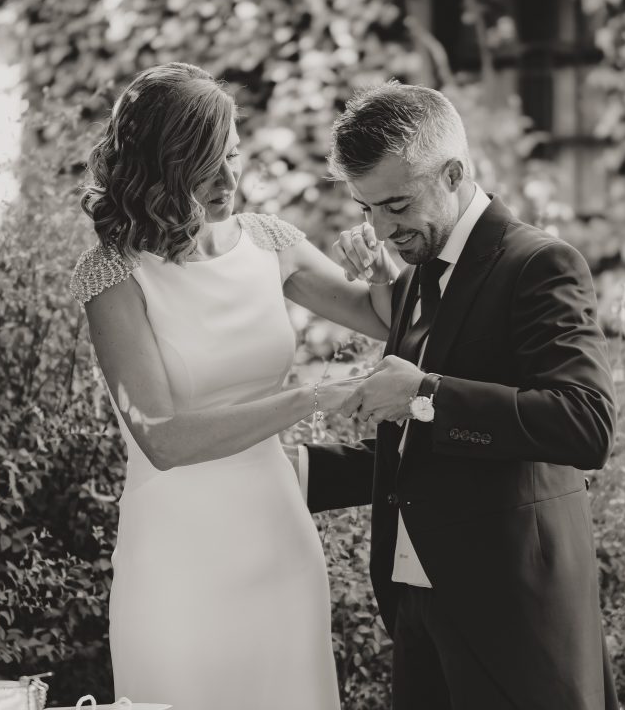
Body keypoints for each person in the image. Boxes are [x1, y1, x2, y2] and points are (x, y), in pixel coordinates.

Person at [69, 63, 401, 710]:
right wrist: (309, 397)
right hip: (174, 559)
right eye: (204, 165)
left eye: (234, 158)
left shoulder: (268, 243)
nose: (228, 181)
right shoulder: (112, 275)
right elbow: (162, 438)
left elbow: (382, 320)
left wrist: (380, 266)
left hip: (277, 544)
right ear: (161, 167)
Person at [299, 81, 620, 710]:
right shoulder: (416, 273)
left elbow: (585, 424)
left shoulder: (540, 264)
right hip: (419, 604)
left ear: (453, 172)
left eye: (396, 203)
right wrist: (302, 474)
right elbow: (430, 452)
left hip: (515, 614)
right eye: (367, 208)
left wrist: (424, 392)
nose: (382, 228)